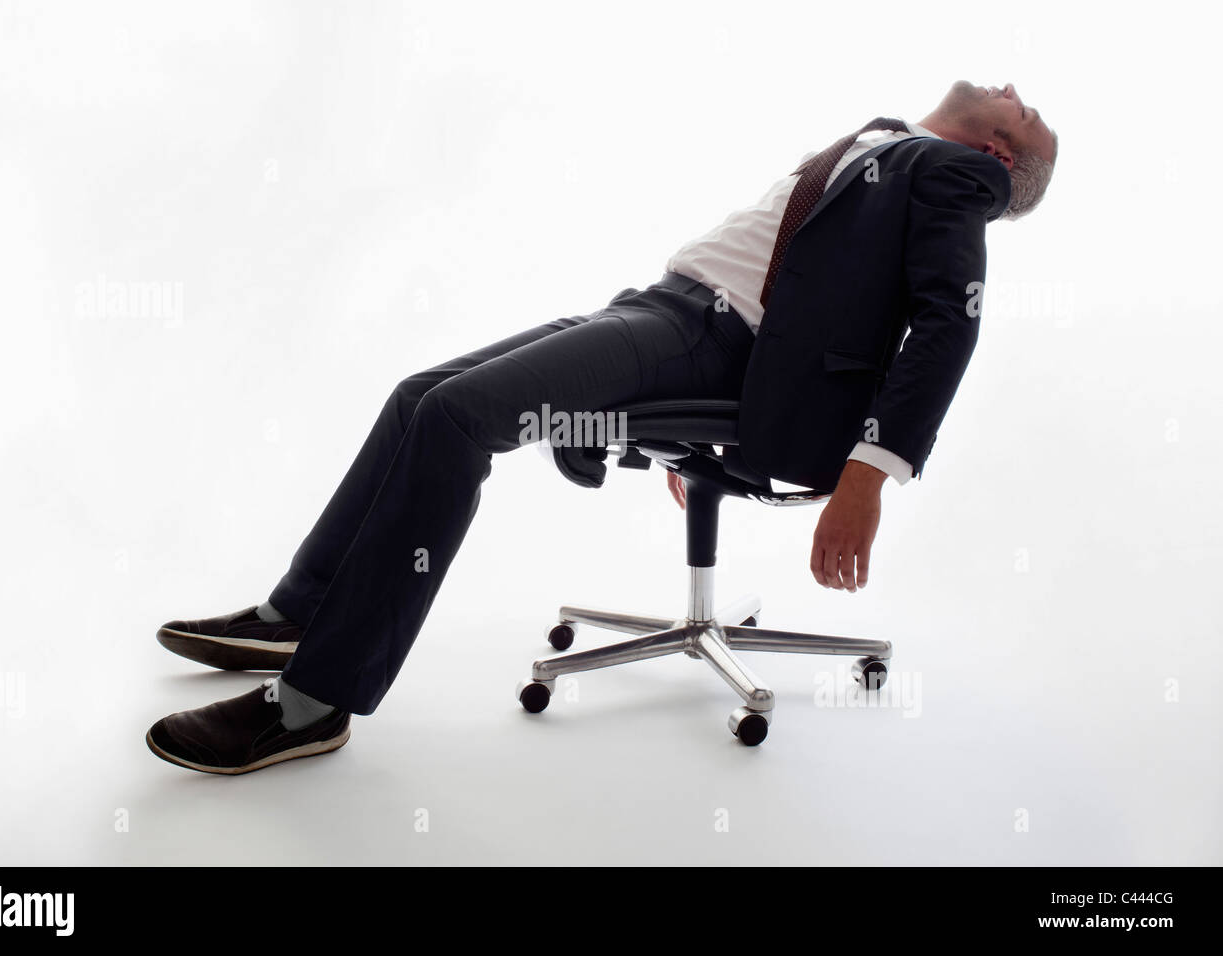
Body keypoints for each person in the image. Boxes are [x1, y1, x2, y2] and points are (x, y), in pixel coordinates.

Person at [145, 80, 1058, 774]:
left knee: (462, 420)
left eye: (1025, 114)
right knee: (421, 392)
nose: (1013, 89)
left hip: (705, 341)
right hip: (662, 314)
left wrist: (870, 472)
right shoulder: (890, 141)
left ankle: (313, 703)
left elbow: (949, 322)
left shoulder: (956, 172)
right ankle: (294, 616)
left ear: (998, 156)